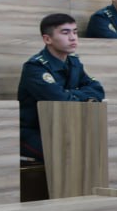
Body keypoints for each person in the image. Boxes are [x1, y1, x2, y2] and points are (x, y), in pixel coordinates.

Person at [17, 13, 105, 161]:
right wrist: (79, 95)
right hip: (35, 131)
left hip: (65, 127)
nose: (73, 37)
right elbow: (61, 101)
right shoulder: (35, 67)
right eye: (65, 33)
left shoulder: (73, 62)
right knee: (72, 153)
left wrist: (70, 94)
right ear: (47, 39)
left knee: (100, 144)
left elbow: (98, 90)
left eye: (75, 32)